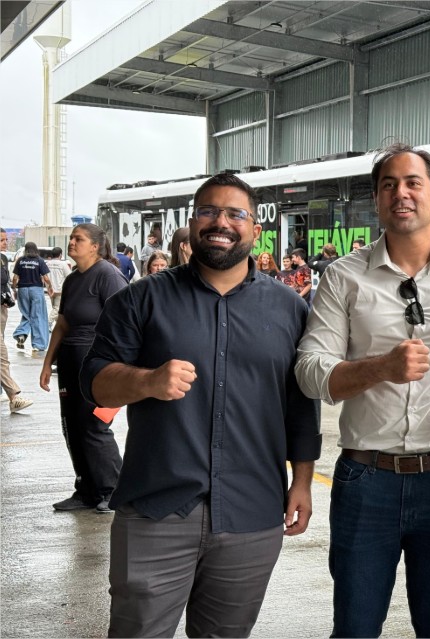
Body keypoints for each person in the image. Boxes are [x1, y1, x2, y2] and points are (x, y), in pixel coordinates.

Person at [79, 173, 321, 638]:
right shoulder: (141, 299)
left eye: (235, 213)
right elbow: (95, 385)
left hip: (252, 511)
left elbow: (300, 404)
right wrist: (148, 380)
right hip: (156, 507)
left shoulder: (290, 309)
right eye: (208, 211)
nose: (220, 222)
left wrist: (303, 481)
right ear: (192, 224)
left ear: (255, 229)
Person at [295, 142, 430, 637]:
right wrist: (380, 368)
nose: (401, 194)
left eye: (413, 183)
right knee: (355, 626)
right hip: (367, 479)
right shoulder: (343, 277)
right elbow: (310, 371)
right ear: (376, 199)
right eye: (388, 185)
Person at [38, 224, 127, 513]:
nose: (72, 242)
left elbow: (126, 320)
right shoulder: (73, 279)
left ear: (95, 246)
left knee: (93, 424)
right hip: (70, 361)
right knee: (72, 426)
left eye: (79, 239)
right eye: (72, 238)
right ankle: (86, 490)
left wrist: (119, 367)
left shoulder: (107, 275)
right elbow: (62, 323)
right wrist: (47, 362)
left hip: (97, 363)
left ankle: (112, 490)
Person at [1, 229, 33, 413]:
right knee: (1, 356)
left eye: (6, 239)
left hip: (2, 310)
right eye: (1, 240)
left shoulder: (3, 259)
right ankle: (13, 396)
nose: (5, 243)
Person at [12, 241, 52, 352]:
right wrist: (50, 286)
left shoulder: (20, 260)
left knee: (26, 313)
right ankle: (38, 344)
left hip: (23, 289)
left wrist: (14, 288)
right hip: (36, 290)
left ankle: (21, 334)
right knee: (37, 315)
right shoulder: (39, 260)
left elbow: (15, 278)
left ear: (25, 249)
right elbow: (46, 278)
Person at [46, 246, 72, 330]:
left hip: (50, 290)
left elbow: (44, 276)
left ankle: (57, 326)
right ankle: (48, 323)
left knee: (55, 308)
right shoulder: (63, 264)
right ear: (60, 255)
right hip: (60, 290)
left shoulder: (47, 264)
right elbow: (69, 276)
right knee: (57, 309)